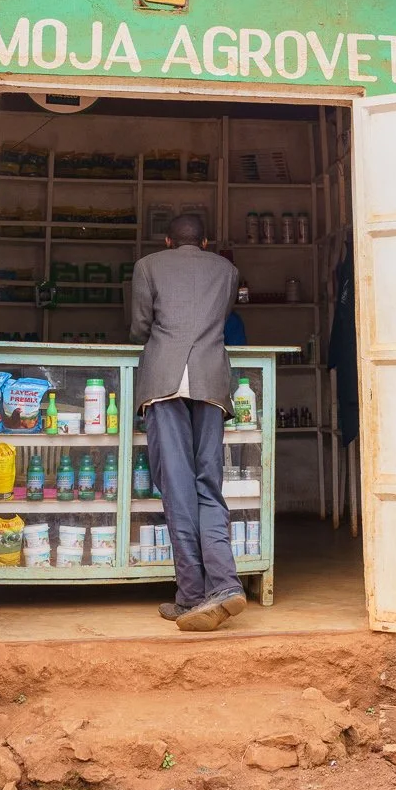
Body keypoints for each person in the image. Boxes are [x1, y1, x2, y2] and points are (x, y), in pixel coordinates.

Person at [130, 213, 245, 631]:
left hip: (163, 380)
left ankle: (192, 596)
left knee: (178, 486)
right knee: (207, 485)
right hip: (212, 381)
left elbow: (140, 326)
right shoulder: (227, 271)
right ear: (207, 241)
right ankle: (226, 584)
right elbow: (219, 320)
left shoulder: (148, 266)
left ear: (167, 240)